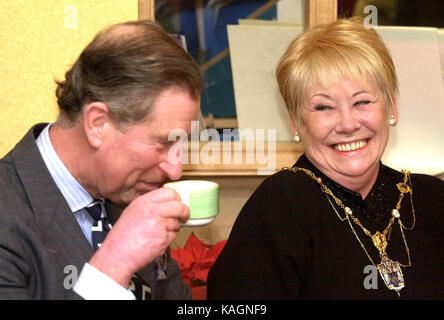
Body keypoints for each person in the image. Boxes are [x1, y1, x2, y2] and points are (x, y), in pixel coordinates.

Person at [207, 18, 444, 299]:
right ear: (295, 122)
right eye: (324, 107)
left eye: (362, 102)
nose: (347, 124)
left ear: (391, 107)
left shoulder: (432, 199)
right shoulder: (281, 205)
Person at [0, 20, 203, 299]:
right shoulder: (8, 213)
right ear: (98, 123)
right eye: (164, 142)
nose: (175, 169)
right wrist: (115, 263)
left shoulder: (131, 192)